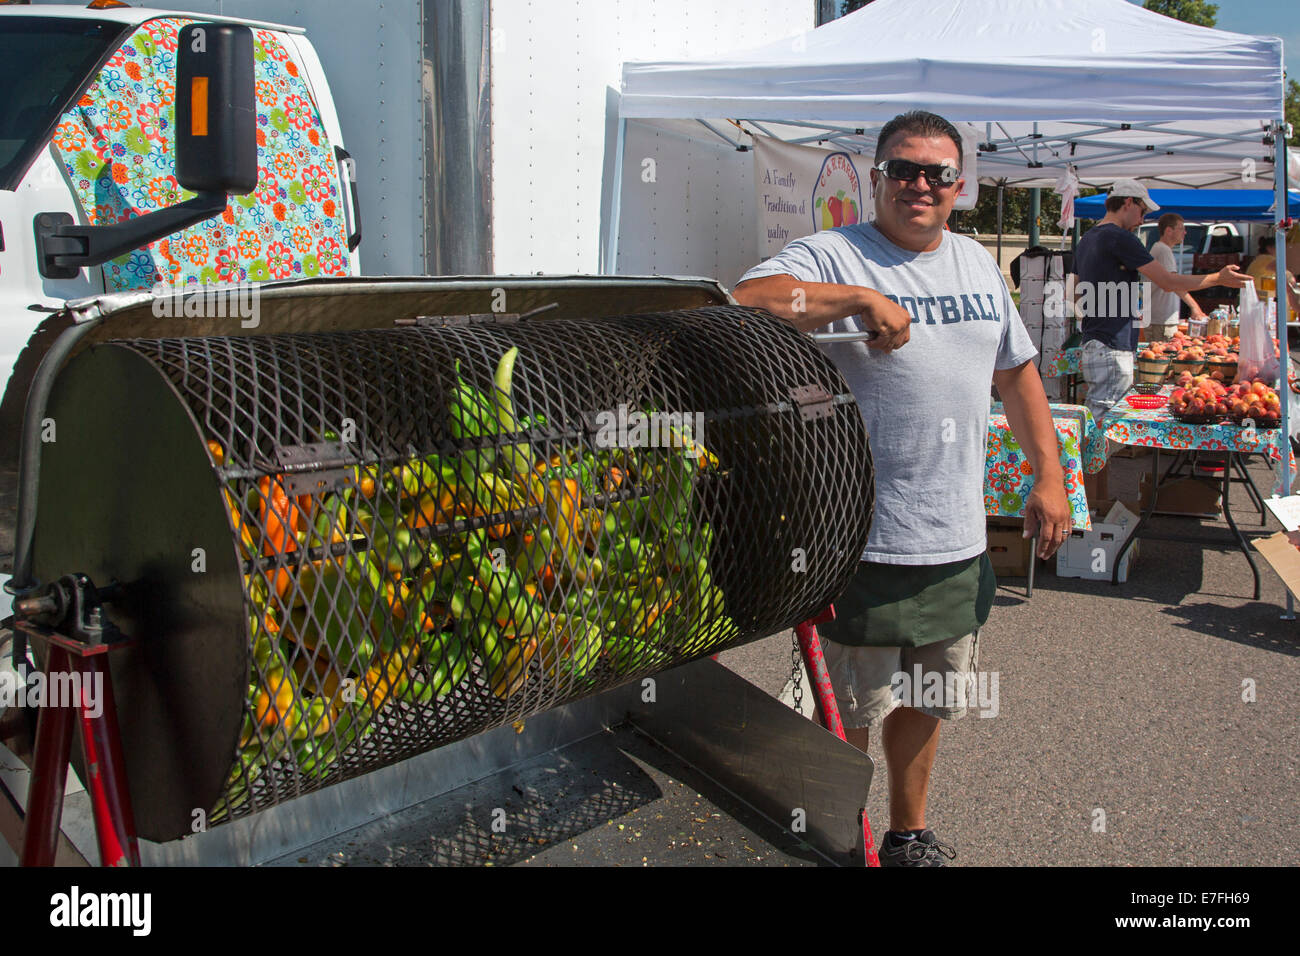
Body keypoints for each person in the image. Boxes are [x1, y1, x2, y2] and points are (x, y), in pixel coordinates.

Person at [733, 110, 1071, 867]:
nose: (921, 184)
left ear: (960, 187)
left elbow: (1016, 374)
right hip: (860, 535)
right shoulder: (834, 252)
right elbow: (747, 300)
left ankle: (907, 833)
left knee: (931, 697)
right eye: (904, 170)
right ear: (876, 177)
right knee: (848, 709)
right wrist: (854, 299)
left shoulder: (978, 264)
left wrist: (1049, 476)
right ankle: (837, 837)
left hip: (954, 534)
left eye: (938, 173)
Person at [1072, 180, 1250, 421]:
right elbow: (1168, 282)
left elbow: (1074, 291)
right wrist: (1218, 278)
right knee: (1107, 425)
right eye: (1143, 211)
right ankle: (1075, 460)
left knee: (1099, 419)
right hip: (1111, 345)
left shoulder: (1088, 238)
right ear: (1128, 202)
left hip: (1095, 341)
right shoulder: (1120, 238)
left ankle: (1078, 459)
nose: (1142, 220)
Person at [1148, 213, 1207, 340]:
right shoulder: (1163, 250)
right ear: (1169, 231)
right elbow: (1173, 283)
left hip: (1159, 318)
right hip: (1162, 320)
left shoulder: (1159, 248)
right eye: (1181, 228)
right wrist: (1194, 307)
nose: (1185, 232)